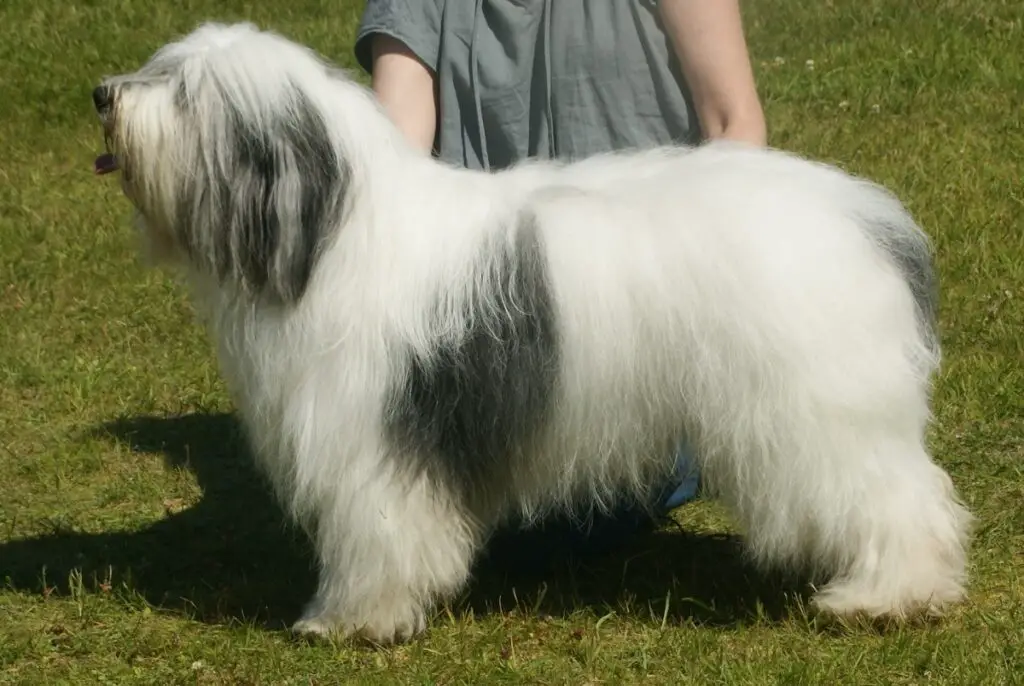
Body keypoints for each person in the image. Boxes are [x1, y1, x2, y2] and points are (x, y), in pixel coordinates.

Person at [353, 0, 767, 554]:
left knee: (593, 518)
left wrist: (725, 338)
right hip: (484, 367)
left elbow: (732, 124)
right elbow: (391, 164)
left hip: (644, 365)